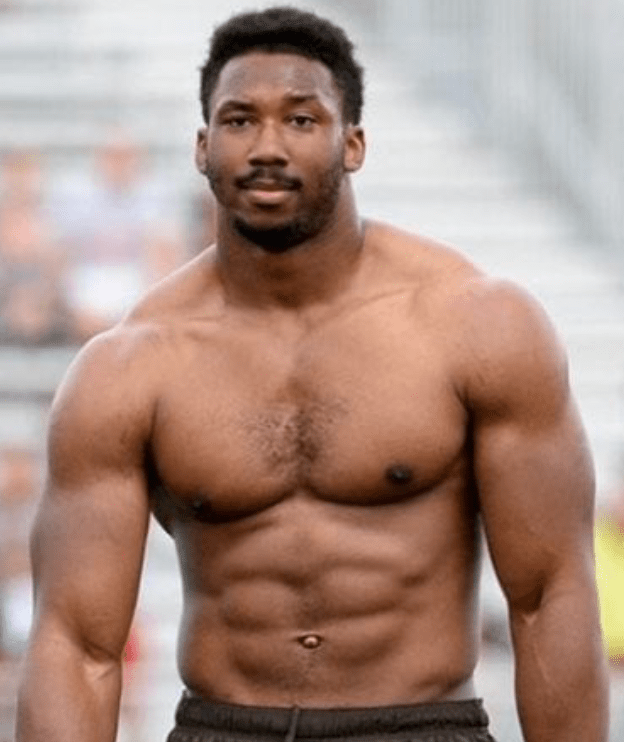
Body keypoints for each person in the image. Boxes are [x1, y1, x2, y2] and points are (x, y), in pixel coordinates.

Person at [16, 6, 608, 742]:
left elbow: (549, 597)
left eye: (301, 120)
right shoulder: (129, 365)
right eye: (239, 121)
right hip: (225, 729)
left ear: (352, 143)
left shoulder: (479, 325)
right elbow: (76, 646)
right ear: (202, 147)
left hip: (422, 727)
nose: (267, 147)